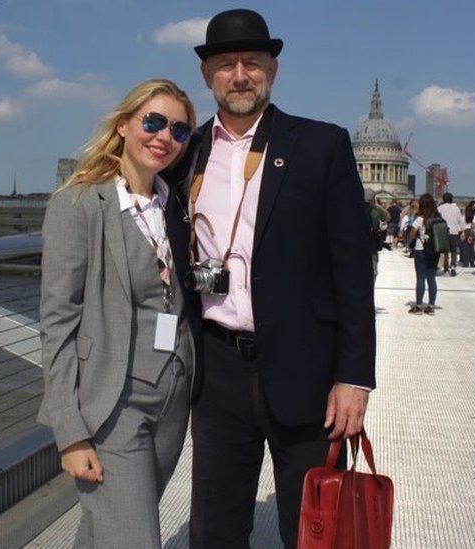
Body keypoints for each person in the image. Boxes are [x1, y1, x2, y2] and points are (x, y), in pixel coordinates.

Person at [172, 9, 376, 548]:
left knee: (314, 528)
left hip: (306, 367)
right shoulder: (184, 151)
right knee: (214, 528)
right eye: (225, 64)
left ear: (273, 69)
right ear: (206, 75)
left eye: (252, 63)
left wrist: (355, 378)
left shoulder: (321, 145)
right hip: (215, 371)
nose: (240, 75)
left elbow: (353, 270)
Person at [36, 79, 199, 548]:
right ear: (125, 125)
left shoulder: (176, 204)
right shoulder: (81, 203)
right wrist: (70, 433)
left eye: (179, 130)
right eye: (152, 122)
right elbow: (57, 321)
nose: (164, 136)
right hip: (113, 404)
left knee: (106, 530)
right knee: (134, 538)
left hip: (172, 399)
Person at [409, 193, 440, 315]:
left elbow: (412, 235)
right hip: (434, 251)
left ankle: (418, 306)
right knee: (432, 278)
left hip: (421, 250)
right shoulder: (438, 218)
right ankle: (431, 306)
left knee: (420, 278)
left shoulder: (420, 218)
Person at [437, 192, 464, 276]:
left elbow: (437, 220)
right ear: (452, 199)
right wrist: (462, 231)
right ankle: (453, 266)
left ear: (443, 199)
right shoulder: (456, 209)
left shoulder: (439, 208)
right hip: (454, 232)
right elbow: (460, 221)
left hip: (443, 232)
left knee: (445, 251)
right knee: (453, 251)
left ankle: (445, 269)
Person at [460, 200, 475, 267]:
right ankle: (472, 263)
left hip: (465, 231)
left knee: (465, 248)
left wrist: (462, 232)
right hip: (472, 231)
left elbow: (461, 225)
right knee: (471, 247)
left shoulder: (464, 216)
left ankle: (465, 263)